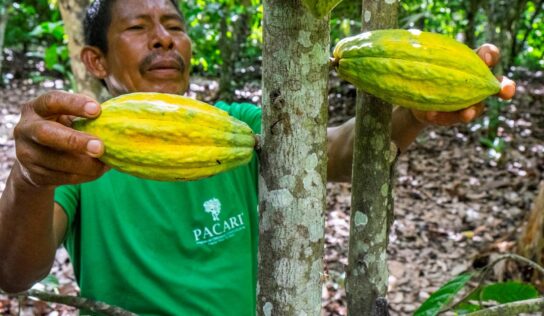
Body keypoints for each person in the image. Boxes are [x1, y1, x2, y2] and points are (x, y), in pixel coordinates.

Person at [0, 0, 516, 314]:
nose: (163, 38)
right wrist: (29, 178)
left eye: (174, 25)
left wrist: (417, 111)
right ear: (95, 59)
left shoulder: (238, 126)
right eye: (137, 28)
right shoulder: (75, 148)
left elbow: (335, 152)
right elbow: (14, 273)